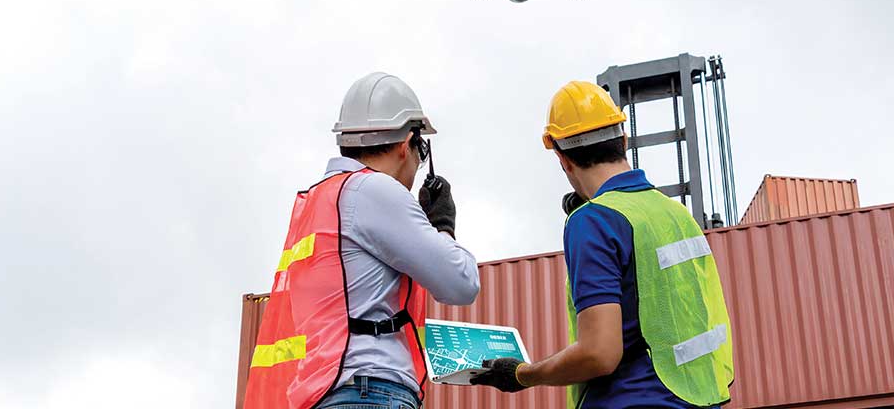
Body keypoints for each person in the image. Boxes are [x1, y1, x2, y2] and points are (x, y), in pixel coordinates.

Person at [471, 81, 736, 408]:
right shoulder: (675, 213)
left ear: (563, 159)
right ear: (623, 139)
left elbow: (599, 353)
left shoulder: (593, 222)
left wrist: (523, 374)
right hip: (700, 399)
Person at [244, 73, 481, 409]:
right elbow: (462, 283)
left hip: (324, 391)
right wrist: (442, 225)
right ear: (406, 144)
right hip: (370, 389)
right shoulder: (373, 190)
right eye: (420, 152)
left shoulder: (320, 200)